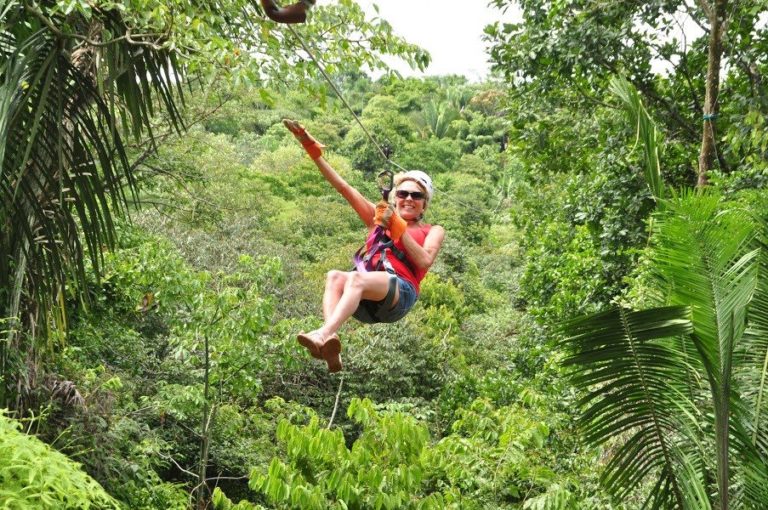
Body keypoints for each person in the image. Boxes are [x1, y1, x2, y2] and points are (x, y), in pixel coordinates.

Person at [283, 119, 446, 373]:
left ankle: (323, 334)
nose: (409, 199)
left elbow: (424, 260)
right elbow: (344, 187)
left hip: (400, 293)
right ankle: (329, 343)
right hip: (366, 300)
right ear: (395, 197)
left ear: (425, 204)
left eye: (417, 196)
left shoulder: (432, 230)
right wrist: (311, 150)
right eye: (403, 194)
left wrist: (396, 226)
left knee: (356, 279)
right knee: (334, 276)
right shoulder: (379, 217)